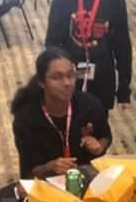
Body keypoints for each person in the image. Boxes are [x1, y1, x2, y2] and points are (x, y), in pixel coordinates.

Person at [11, 47, 112, 179]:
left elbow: (106, 135)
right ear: (41, 82)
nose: (67, 83)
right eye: (57, 77)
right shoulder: (26, 119)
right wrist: (49, 167)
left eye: (70, 75)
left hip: (88, 180)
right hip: (46, 185)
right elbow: (29, 172)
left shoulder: (90, 105)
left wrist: (100, 147)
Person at [45, 0, 132, 111]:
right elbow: (52, 43)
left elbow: (122, 46)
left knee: (98, 120)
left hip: (102, 78)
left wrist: (124, 90)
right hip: (68, 78)